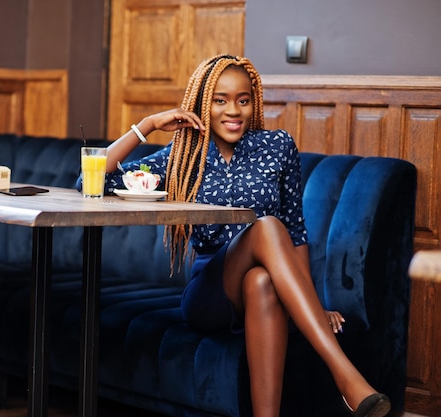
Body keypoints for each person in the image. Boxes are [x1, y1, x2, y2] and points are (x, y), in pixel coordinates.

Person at [100, 54, 391, 417]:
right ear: (203, 105)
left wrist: (314, 302)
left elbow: (295, 230)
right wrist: (147, 125)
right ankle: (346, 377)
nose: (233, 111)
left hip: (261, 284)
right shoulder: (184, 154)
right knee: (266, 226)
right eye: (220, 100)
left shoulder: (277, 146)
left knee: (262, 280)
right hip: (210, 294)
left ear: (254, 102)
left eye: (243, 99)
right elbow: (93, 181)